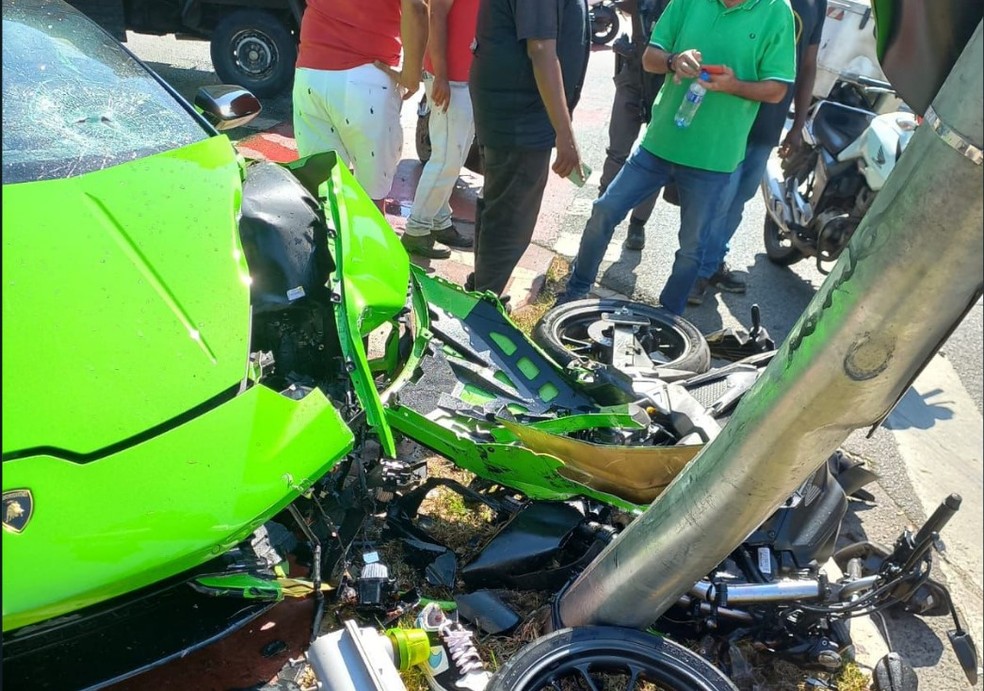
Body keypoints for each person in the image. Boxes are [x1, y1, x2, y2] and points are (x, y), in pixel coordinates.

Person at [557, 0, 796, 315]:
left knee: (691, 249)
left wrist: (735, 86)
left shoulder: (776, 11)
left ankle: (667, 319)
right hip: (658, 145)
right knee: (605, 210)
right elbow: (650, 58)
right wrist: (673, 61)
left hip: (715, 158)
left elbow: (777, 89)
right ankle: (575, 291)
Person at [689, 0, 827, 305]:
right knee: (717, 197)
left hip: (768, 120)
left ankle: (710, 264)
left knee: (739, 198)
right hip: (726, 112)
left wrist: (797, 124)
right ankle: (695, 271)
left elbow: (807, 65)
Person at [467, 0, 590, 298]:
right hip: (521, 115)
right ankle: (483, 305)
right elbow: (540, 50)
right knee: (511, 219)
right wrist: (565, 134)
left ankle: (481, 289)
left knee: (501, 206)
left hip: (515, 109)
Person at [292, 0, 429, 210]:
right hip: (367, 76)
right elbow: (416, 7)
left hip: (310, 73)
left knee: (320, 195)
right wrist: (412, 72)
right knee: (370, 206)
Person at [402, 0, 480, 259]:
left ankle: (439, 221)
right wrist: (443, 76)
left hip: (462, 78)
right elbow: (436, 16)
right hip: (451, 80)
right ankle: (417, 231)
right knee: (447, 159)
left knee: (451, 157)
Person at [602, 0, 670, 251]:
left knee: (655, 158)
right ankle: (601, 214)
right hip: (632, 77)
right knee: (617, 153)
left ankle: (637, 225)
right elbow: (624, 6)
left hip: (666, 83)